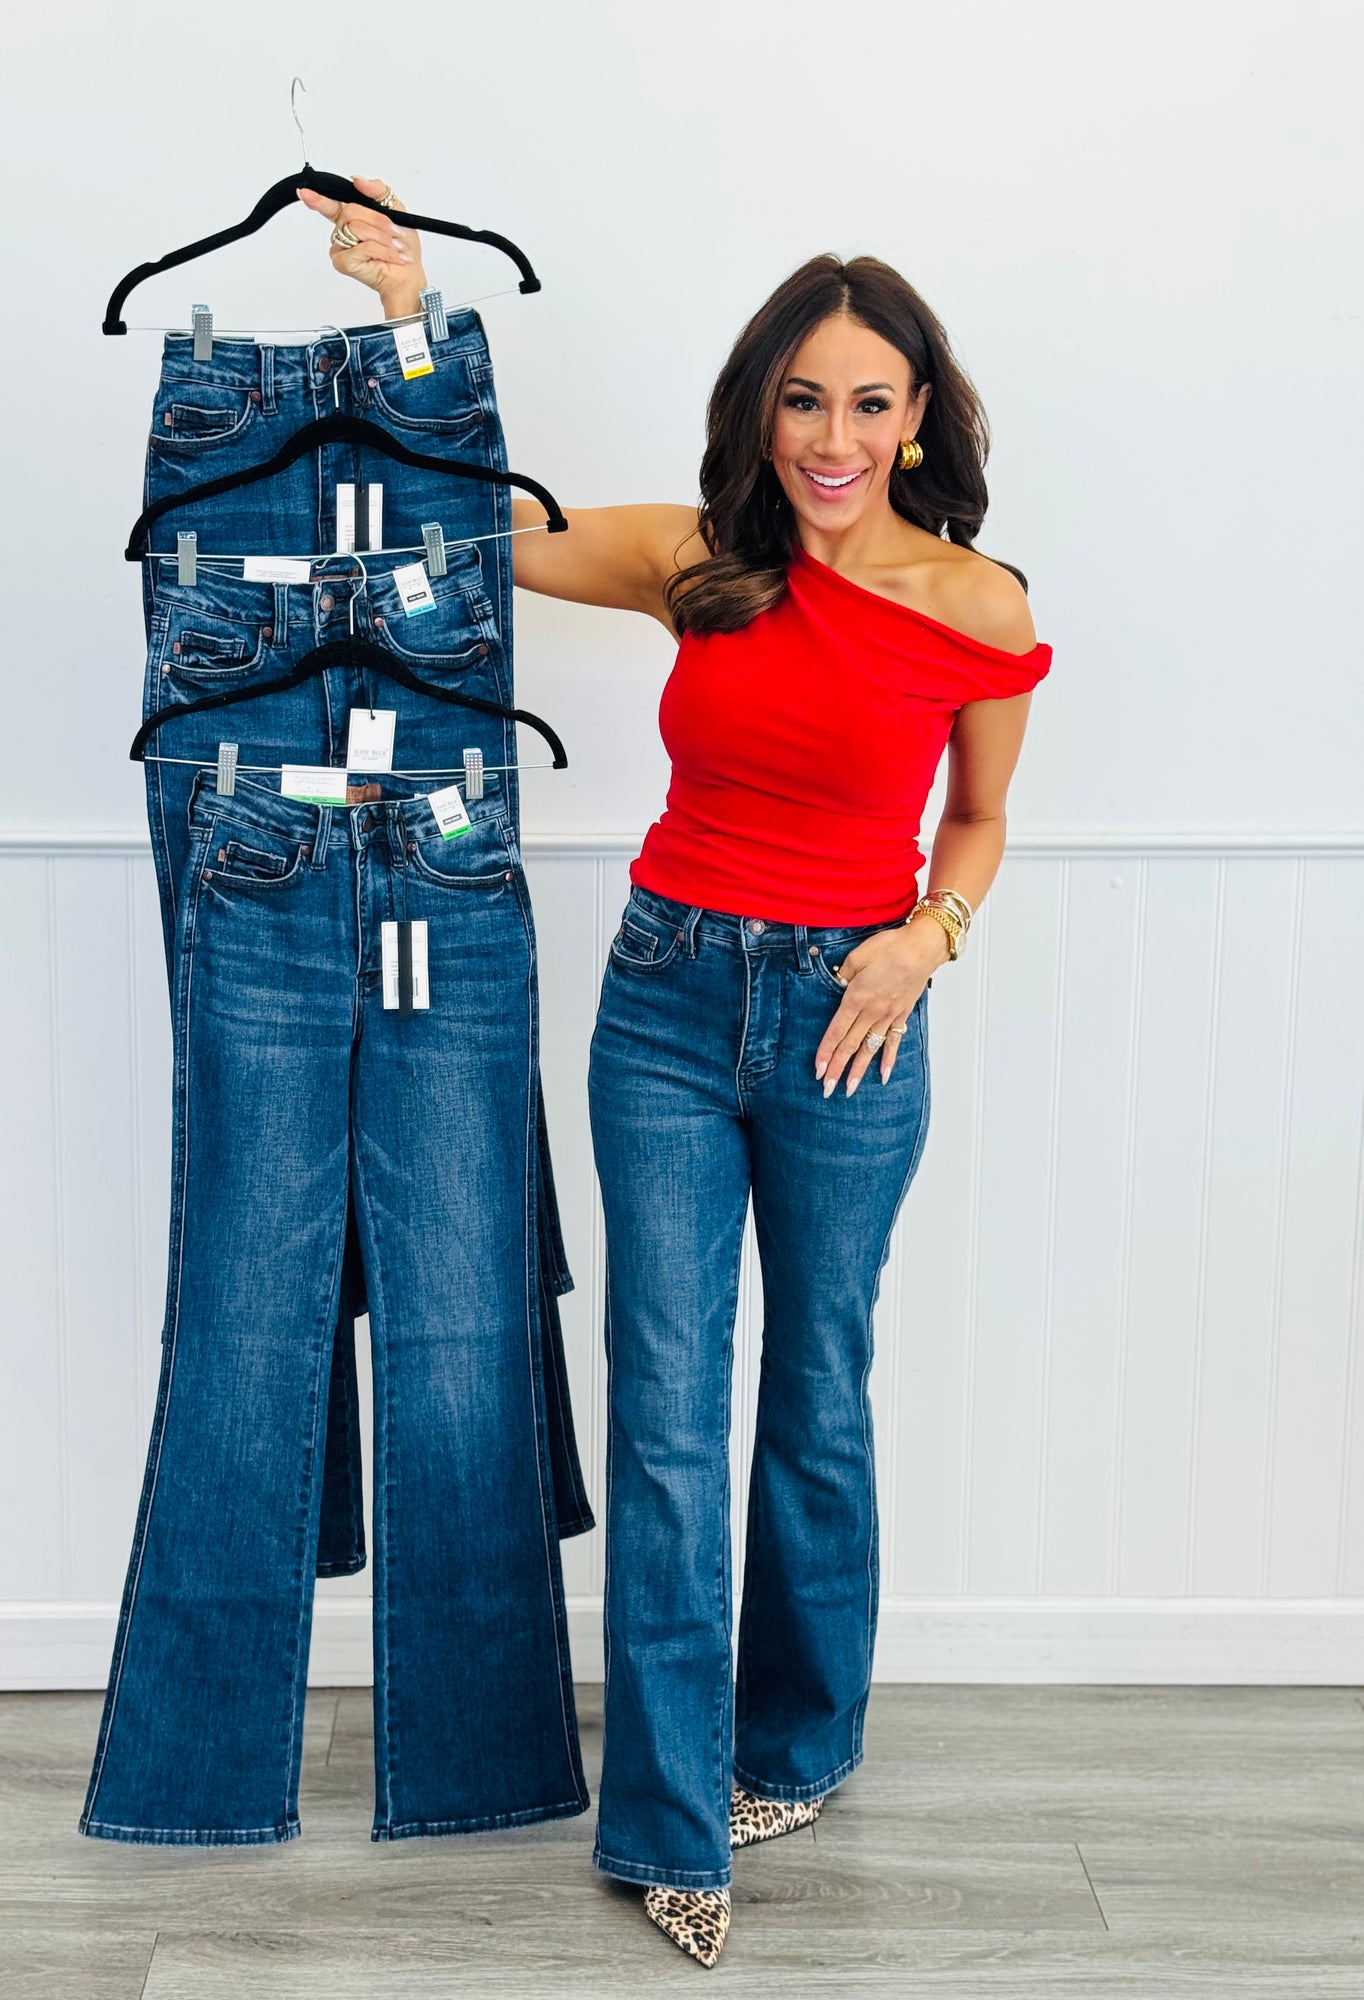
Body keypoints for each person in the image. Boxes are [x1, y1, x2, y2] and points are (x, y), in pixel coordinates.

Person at [301, 174, 1053, 1967]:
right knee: (665, 1408)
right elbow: (471, 523)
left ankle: (795, 1742)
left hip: (852, 1020)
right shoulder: (697, 561)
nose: (834, 439)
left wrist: (927, 936)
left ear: (918, 415)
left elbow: (979, 818)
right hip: (663, 1007)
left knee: (819, 1390)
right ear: (761, 408)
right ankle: (666, 1821)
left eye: (868, 403)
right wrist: (409, 310)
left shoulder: (975, 604)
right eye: (803, 400)